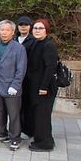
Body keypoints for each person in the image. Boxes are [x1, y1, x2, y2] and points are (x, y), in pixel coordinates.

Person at [0, 20, 27, 151]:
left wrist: (15, 85)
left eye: (7, 30)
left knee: (14, 114)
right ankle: (1, 133)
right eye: (2, 30)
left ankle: (15, 138)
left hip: (11, 87)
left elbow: (21, 69)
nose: (4, 33)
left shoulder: (19, 48)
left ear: (12, 32)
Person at [26, 19, 59, 152]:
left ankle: (45, 143)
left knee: (43, 115)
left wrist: (44, 87)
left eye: (40, 28)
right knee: (39, 115)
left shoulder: (48, 45)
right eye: (35, 28)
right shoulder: (35, 43)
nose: (37, 31)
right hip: (35, 86)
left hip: (45, 87)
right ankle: (42, 139)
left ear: (46, 30)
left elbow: (50, 67)